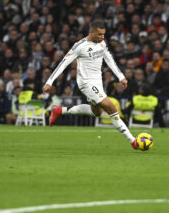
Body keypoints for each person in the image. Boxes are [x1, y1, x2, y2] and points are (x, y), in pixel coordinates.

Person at [42, 21, 137, 149]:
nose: (102, 37)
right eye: (99, 34)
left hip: (98, 82)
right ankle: (133, 140)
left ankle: (60, 110)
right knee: (111, 107)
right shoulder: (79, 46)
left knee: (96, 112)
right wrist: (49, 81)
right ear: (91, 32)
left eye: (103, 34)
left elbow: (109, 59)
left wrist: (121, 76)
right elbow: (63, 63)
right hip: (86, 82)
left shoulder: (101, 43)